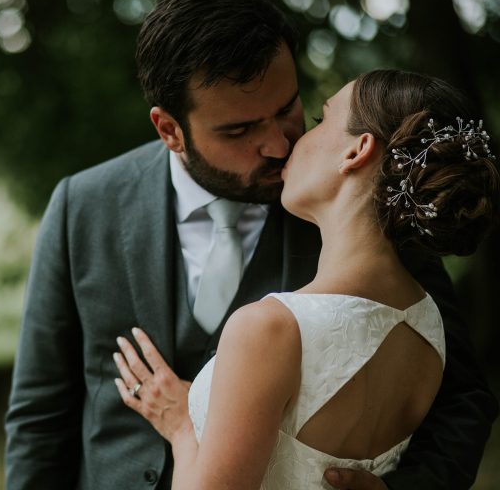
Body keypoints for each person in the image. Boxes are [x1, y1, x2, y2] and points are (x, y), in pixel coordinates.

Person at [4, 0, 498, 489]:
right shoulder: (83, 205)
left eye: (287, 109)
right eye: (238, 131)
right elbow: (40, 416)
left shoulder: (374, 204)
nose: (278, 146)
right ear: (170, 129)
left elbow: (462, 395)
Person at [113, 69, 500, 489]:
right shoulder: (428, 327)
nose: (287, 145)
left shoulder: (267, 328)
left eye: (321, 119)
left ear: (356, 151)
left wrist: (182, 429)